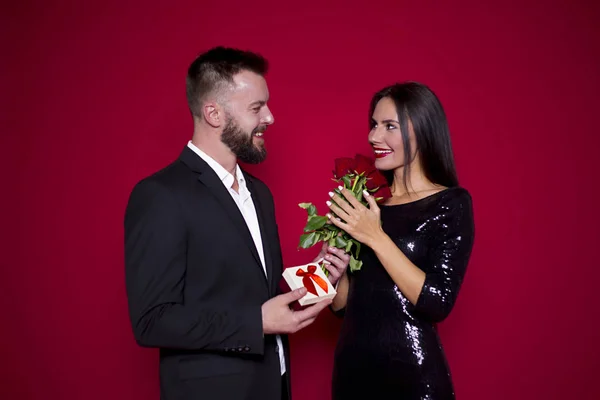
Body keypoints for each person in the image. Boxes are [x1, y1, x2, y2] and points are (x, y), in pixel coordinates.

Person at [123, 46, 350, 400]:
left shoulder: (259, 193)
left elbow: (257, 295)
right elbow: (152, 321)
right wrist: (254, 323)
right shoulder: (160, 195)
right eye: (257, 108)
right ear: (213, 113)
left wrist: (319, 276)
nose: (271, 118)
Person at [325, 82, 475, 399]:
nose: (373, 137)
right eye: (374, 125)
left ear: (422, 131)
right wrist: (335, 272)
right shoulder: (369, 205)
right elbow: (343, 309)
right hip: (352, 374)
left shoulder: (451, 203)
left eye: (389, 126)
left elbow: (437, 302)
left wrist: (375, 236)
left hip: (412, 378)